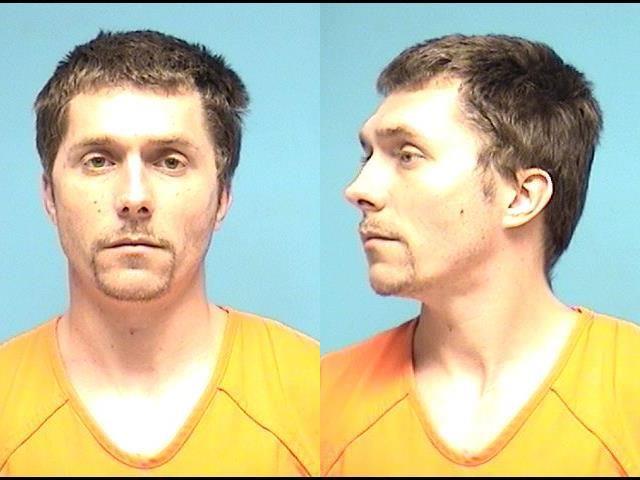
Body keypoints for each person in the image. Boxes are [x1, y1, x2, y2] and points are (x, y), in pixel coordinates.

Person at [0, 30, 318, 476]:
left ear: (222, 197)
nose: (134, 198)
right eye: (98, 160)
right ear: (49, 196)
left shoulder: (316, 395)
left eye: (170, 161)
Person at [321, 34, 640, 475]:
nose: (359, 189)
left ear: (521, 197)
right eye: (368, 156)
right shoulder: (322, 400)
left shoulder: (629, 394)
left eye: (407, 155)